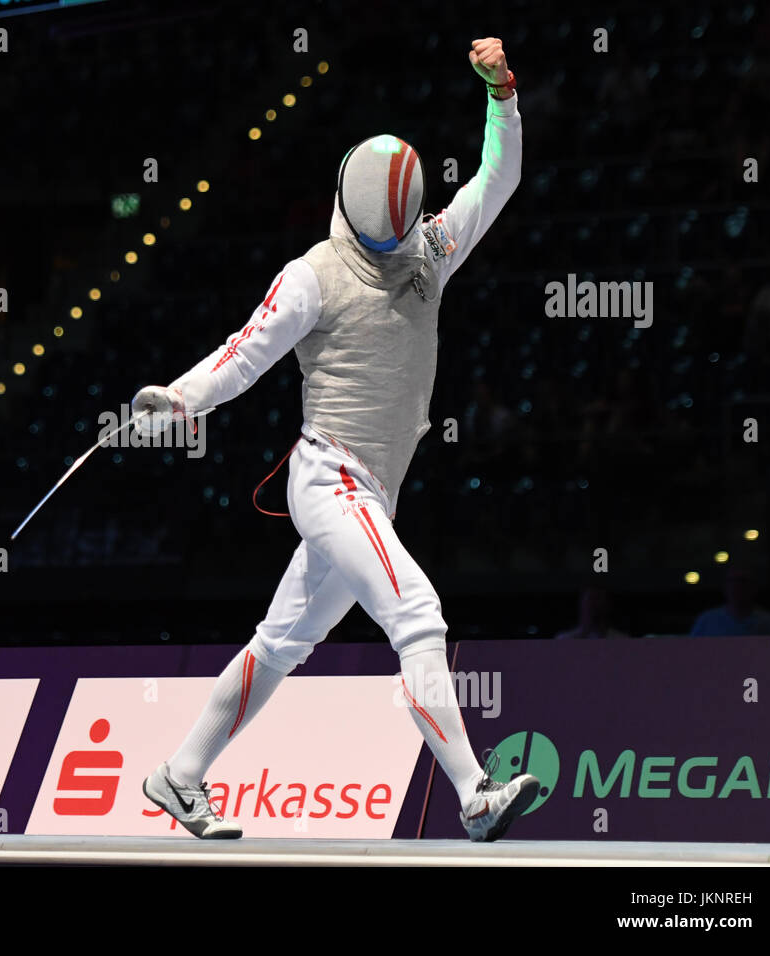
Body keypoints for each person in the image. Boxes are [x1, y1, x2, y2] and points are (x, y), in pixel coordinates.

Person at [132, 39, 537, 841]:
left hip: (371, 492)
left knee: (279, 644)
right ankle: (473, 793)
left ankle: (177, 776)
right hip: (330, 482)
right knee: (417, 613)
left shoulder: (431, 250)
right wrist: (180, 397)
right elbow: (243, 354)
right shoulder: (313, 273)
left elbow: (498, 179)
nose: (401, 242)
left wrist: (503, 97)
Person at [691, 569, 770, 637]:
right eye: (732, 581)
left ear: (754, 587)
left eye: (742, 581)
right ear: (725, 587)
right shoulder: (707, 621)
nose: (737, 586)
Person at [554, 585, 630, 640]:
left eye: (598, 597)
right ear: (581, 603)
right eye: (591, 598)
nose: (594, 604)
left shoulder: (622, 640)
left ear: (607, 604)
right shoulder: (564, 640)